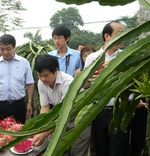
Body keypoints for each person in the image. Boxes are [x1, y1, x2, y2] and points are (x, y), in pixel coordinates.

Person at [84, 21, 129, 156]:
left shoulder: (126, 56)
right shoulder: (93, 58)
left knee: (118, 150)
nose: (122, 37)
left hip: (120, 110)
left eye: (124, 34)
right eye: (118, 34)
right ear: (107, 36)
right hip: (98, 110)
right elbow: (86, 85)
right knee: (100, 149)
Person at [32, 54, 91, 156]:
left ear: (56, 70)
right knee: (61, 151)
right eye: (39, 75)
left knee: (77, 152)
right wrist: (42, 129)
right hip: (60, 116)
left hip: (78, 119)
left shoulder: (68, 83)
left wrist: (45, 133)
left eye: (46, 75)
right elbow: (45, 107)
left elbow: (65, 115)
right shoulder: (41, 83)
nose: (42, 79)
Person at [0, 34, 34, 124]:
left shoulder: (24, 63)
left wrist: (29, 102)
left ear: (14, 47)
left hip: (18, 105)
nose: (5, 52)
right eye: (2, 49)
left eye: (8, 49)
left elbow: (30, 83)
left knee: (18, 133)